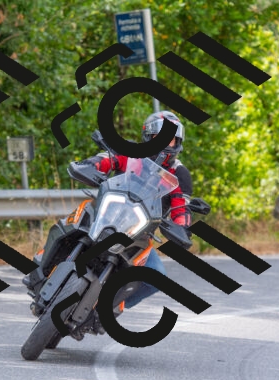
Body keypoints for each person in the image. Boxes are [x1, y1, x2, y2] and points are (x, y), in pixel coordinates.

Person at [24, 110, 192, 311]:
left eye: (171, 139)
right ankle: (42, 266)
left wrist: (181, 227)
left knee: (156, 276)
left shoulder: (179, 174)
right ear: (148, 136)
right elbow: (106, 159)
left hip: (139, 232)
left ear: (178, 142)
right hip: (105, 213)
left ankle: (109, 308)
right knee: (73, 223)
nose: (165, 143)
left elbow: (181, 208)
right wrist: (91, 166)